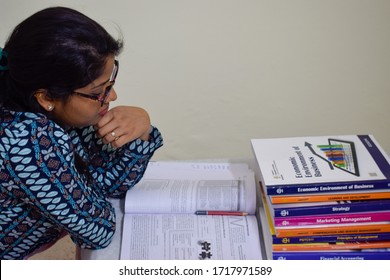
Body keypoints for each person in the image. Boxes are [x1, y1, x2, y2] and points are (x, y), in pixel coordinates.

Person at [0, 7, 163, 259]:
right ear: (46, 97)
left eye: (111, 84)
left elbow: (110, 183)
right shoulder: (26, 140)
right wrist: (88, 190)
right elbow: (98, 230)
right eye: (99, 91)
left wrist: (141, 129)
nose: (113, 97)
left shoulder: (61, 114)